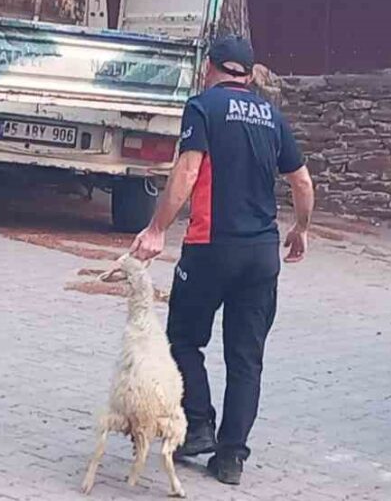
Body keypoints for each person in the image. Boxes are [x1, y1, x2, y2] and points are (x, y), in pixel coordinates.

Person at [130, 35, 315, 486]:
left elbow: (188, 171)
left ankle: (198, 426)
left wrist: (157, 228)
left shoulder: (203, 107)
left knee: (183, 339)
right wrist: (301, 229)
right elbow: (303, 182)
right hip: (260, 255)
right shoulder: (272, 116)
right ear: (249, 76)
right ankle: (231, 458)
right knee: (246, 358)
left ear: (210, 67)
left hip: (211, 247)